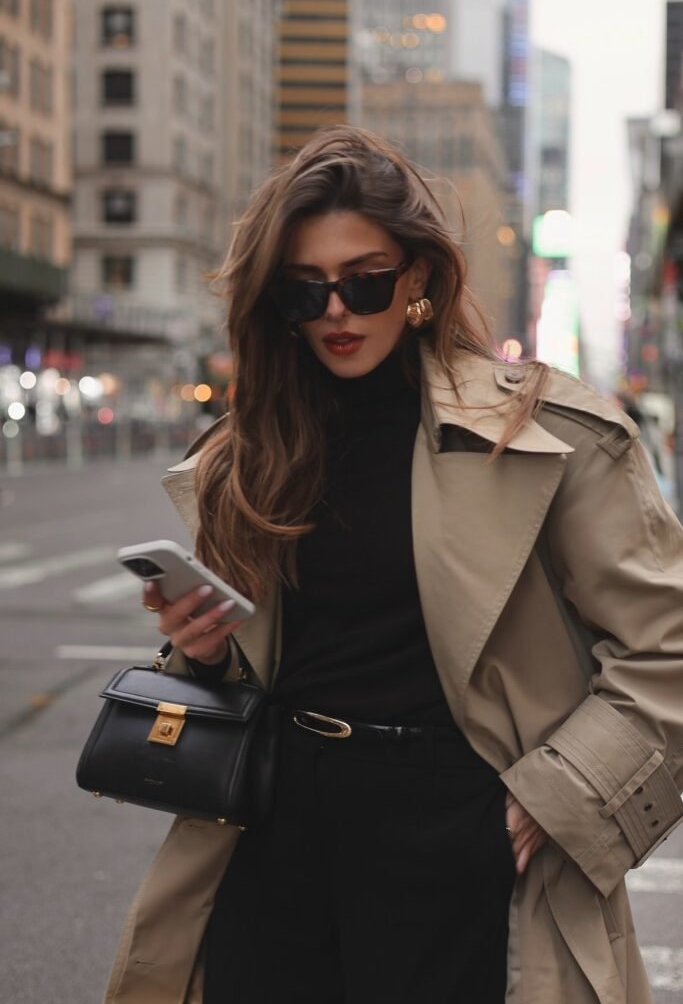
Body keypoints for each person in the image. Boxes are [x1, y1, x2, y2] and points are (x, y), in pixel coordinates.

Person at [104, 126, 683, 1004]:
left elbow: (665, 650)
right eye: (305, 292)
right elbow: (250, 670)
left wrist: (552, 798)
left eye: (364, 281)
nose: (336, 310)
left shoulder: (544, 436)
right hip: (271, 832)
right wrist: (203, 652)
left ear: (415, 279)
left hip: (450, 834)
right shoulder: (245, 457)